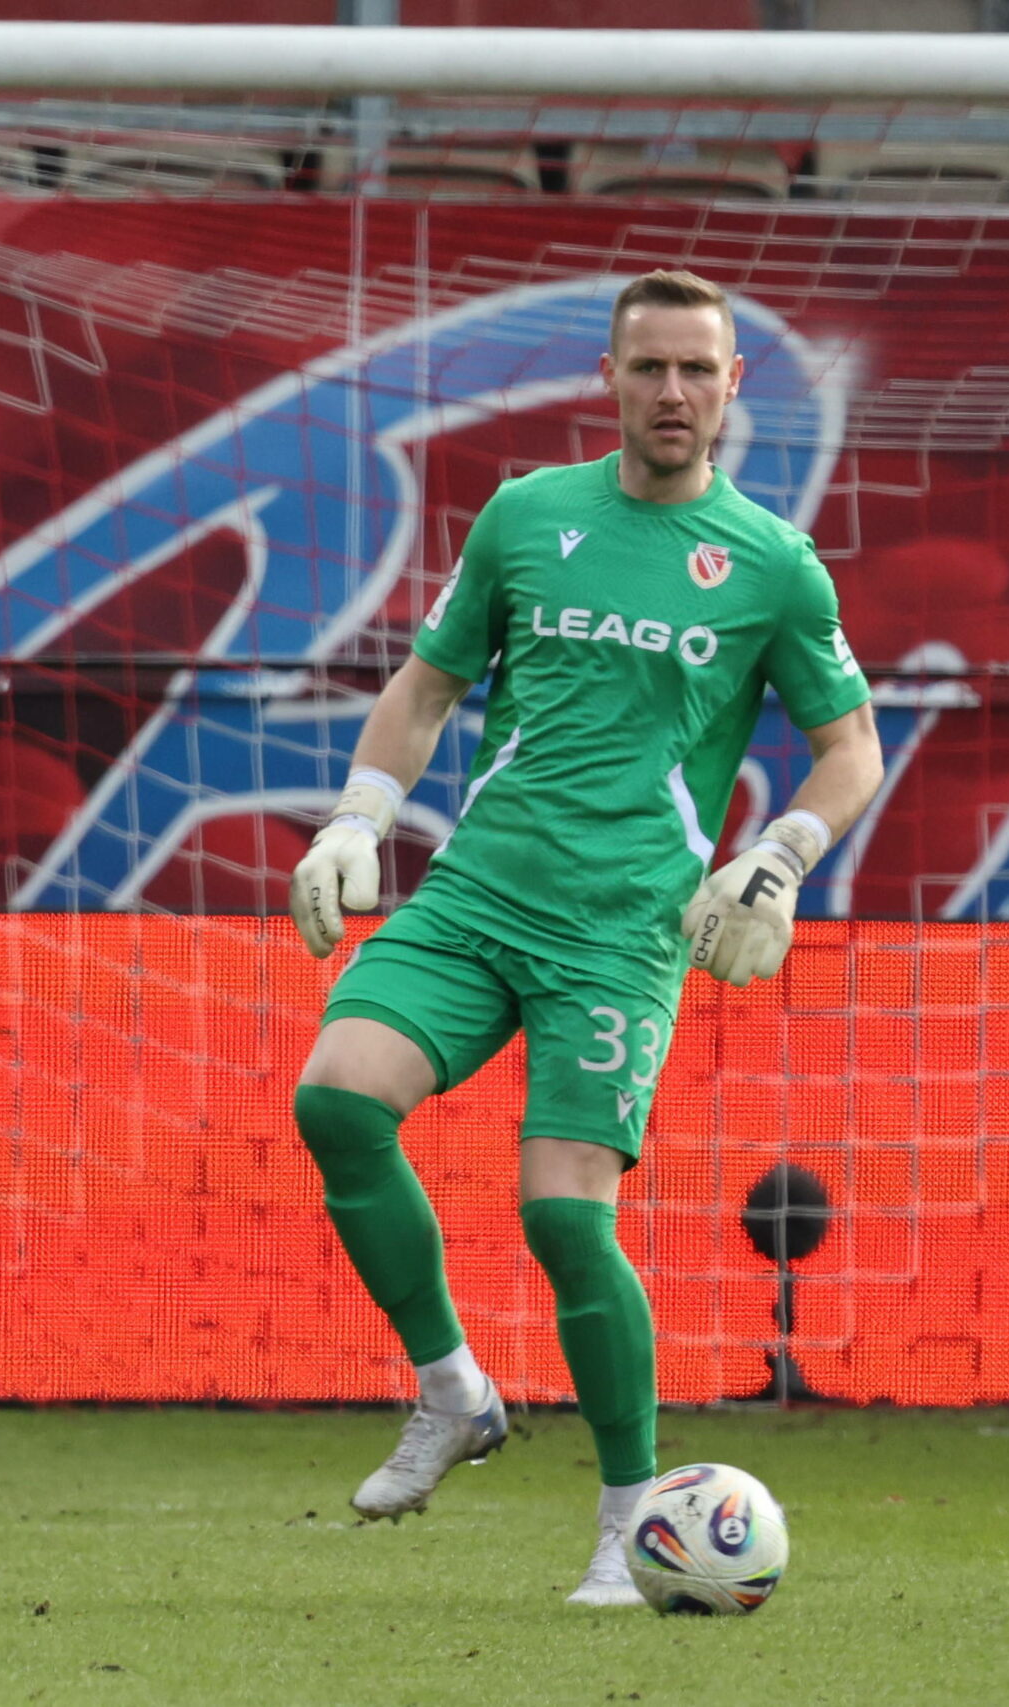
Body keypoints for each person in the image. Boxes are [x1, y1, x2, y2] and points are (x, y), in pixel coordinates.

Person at [287, 268, 884, 1607]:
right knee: (335, 1102)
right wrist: (356, 819)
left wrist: (779, 859)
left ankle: (630, 1520)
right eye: (649, 368)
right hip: (478, 895)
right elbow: (429, 684)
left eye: (697, 371)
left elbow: (851, 748)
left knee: (562, 1218)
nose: (672, 392)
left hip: (620, 931)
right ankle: (452, 1391)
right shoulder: (527, 516)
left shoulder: (774, 568)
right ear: (609, 382)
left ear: (734, 388)